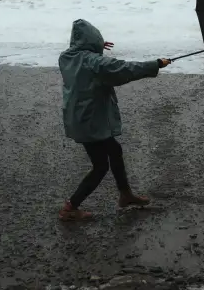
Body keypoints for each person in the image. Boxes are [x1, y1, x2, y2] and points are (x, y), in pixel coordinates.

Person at [58, 19, 171, 221]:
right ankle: (70, 207)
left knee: (114, 150)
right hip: (90, 120)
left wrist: (95, 47)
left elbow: (87, 59)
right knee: (101, 166)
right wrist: (155, 64)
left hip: (79, 117)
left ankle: (125, 194)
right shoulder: (93, 62)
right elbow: (123, 69)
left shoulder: (66, 58)